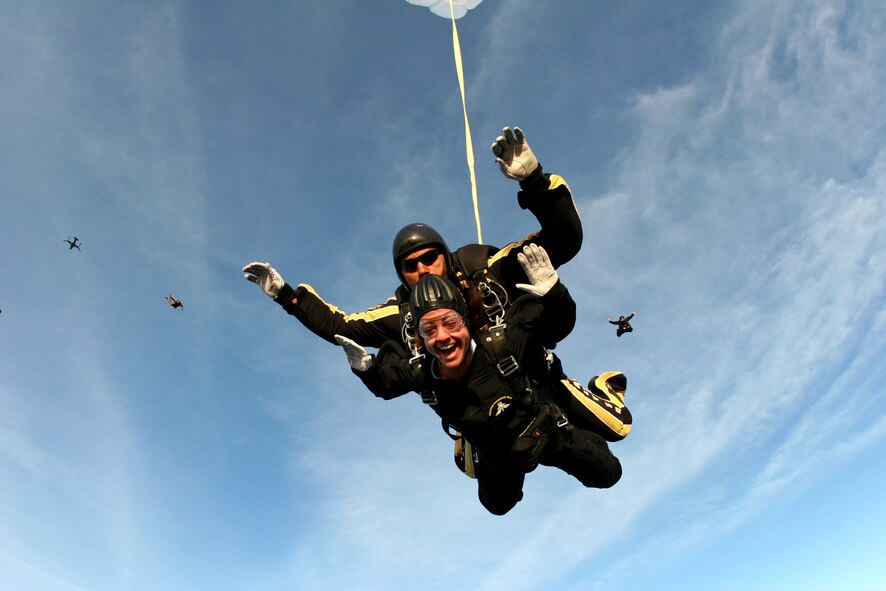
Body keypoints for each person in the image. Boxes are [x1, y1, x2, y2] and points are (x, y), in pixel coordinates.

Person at [243, 126, 631, 444]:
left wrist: (534, 181)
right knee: (498, 471)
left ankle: (603, 389)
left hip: (534, 376)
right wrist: (286, 296)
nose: (423, 269)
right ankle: (474, 445)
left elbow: (563, 240)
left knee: (618, 430)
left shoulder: (485, 269)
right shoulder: (404, 313)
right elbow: (341, 326)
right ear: (402, 276)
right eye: (410, 266)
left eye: (430, 257)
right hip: (481, 405)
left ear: (445, 255)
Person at [336, 245, 622, 515]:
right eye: (429, 329)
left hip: (541, 431)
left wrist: (554, 294)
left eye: (451, 323)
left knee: (608, 474)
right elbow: (386, 384)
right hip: (493, 450)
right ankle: (476, 445)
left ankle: (590, 399)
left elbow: (555, 324)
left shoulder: (503, 343)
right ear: (420, 338)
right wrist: (366, 369)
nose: (443, 337)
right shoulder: (421, 371)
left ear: (466, 322)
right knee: (496, 505)